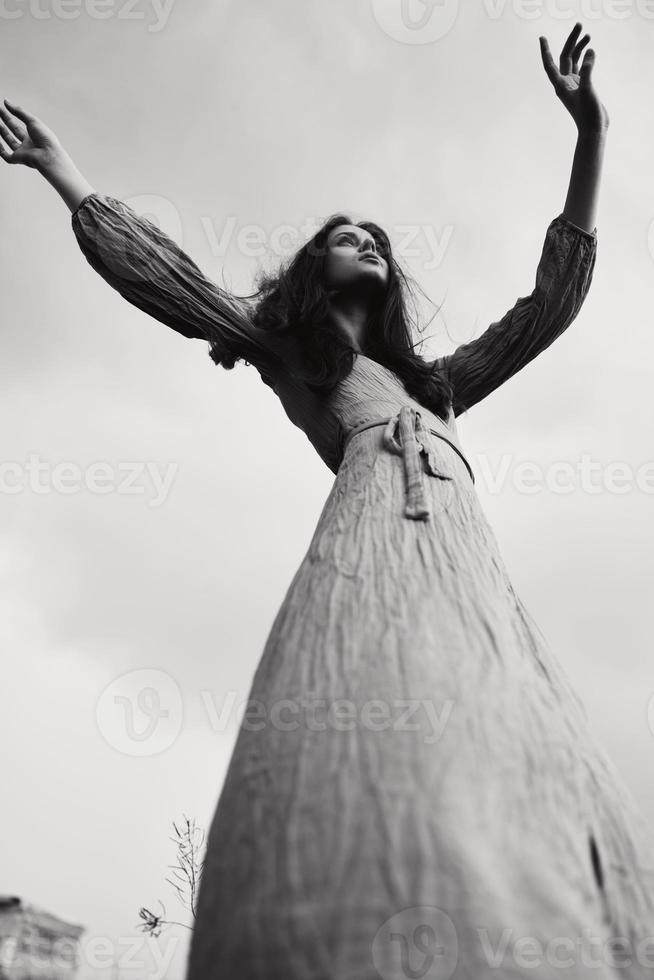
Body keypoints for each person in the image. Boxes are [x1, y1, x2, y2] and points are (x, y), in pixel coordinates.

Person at [3, 22, 653, 980]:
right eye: (349, 238)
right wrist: (66, 175)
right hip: (373, 543)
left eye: (382, 240)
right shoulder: (289, 351)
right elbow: (170, 280)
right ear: (317, 269)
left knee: (525, 735)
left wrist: (590, 131)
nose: (371, 244)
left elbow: (545, 308)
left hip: (475, 565)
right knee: (374, 713)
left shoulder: (437, 383)